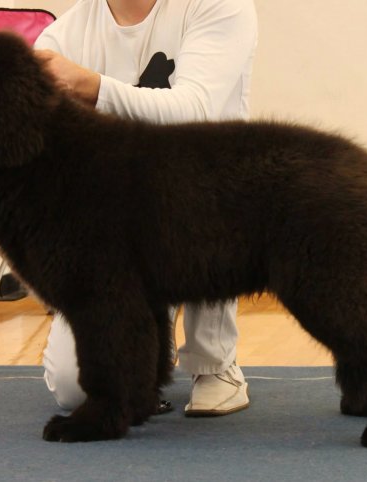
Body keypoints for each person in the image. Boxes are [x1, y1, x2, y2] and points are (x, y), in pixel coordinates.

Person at [34, 0, 258, 417]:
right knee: (74, 390)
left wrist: (93, 86)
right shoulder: (64, 34)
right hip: (111, 226)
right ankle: (143, 366)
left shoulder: (219, 7)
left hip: (207, 198)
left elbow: (196, 112)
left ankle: (215, 364)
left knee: (203, 201)